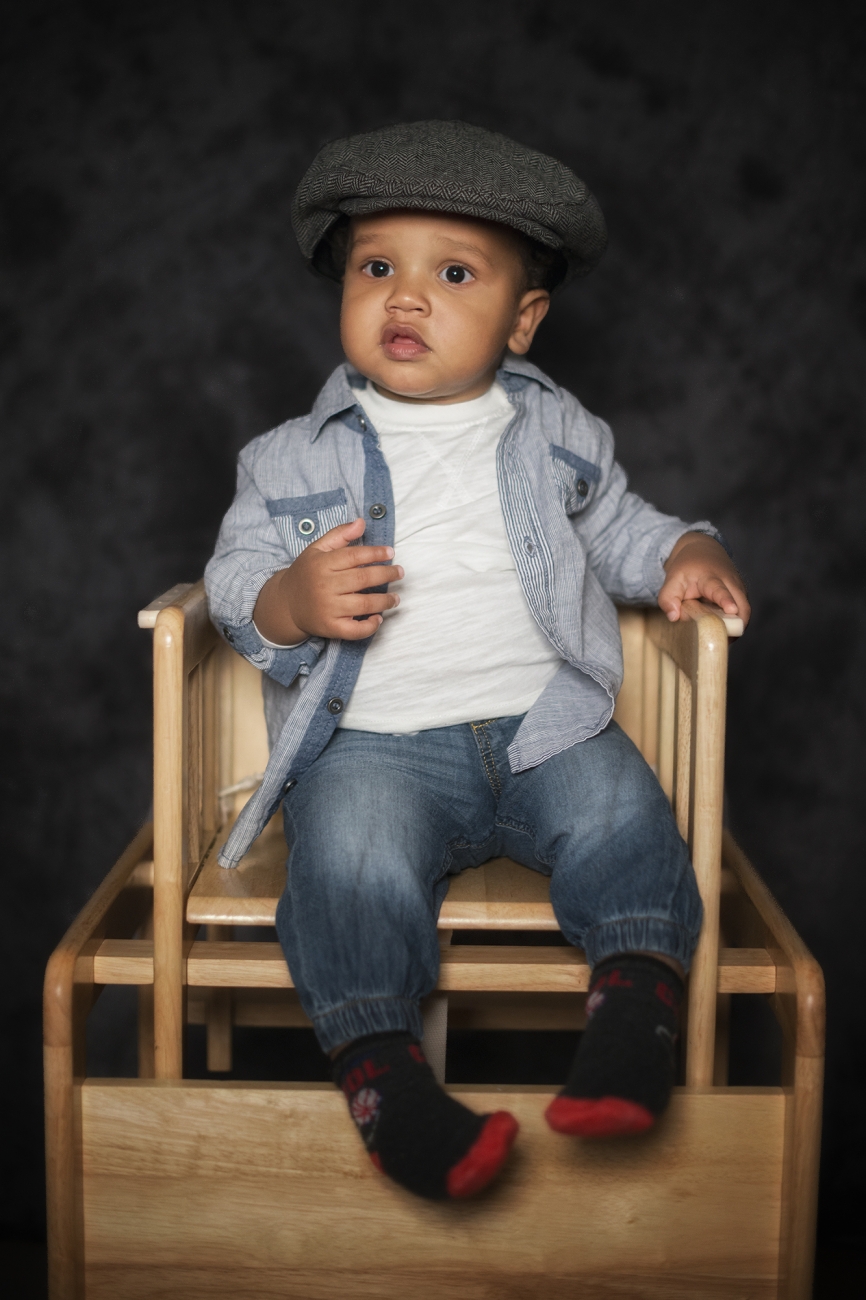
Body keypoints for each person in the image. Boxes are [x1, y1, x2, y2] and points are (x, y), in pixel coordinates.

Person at [205, 120, 750, 1203]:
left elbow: (618, 529)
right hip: (375, 748)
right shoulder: (287, 456)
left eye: (452, 274)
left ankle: (633, 1013)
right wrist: (288, 600)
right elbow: (234, 579)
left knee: (623, 812)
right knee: (346, 863)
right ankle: (384, 1078)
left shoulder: (555, 430)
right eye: (376, 268)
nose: (405, 297)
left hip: (545, 727)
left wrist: (684, 549)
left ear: (522, 320)